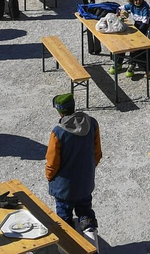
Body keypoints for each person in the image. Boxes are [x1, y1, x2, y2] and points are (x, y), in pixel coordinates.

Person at [45, 92, 102, 233]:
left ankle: (70, 247)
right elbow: (97, 153)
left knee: (64, 219)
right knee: (86, 214)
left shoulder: (58, 132)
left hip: (64, 188)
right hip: (85, 182)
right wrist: (88, 170)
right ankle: (92, 245)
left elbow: (52, 162)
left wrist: (50, 177)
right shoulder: (92, 123)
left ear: (59, 111)